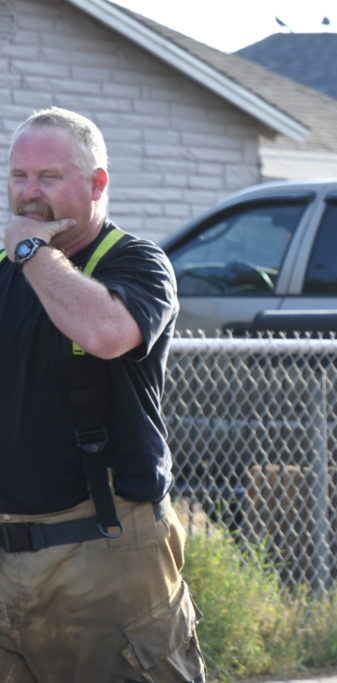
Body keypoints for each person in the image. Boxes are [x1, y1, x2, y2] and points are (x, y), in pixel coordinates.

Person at [0, 107, 205, 681]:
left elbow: (105, 334)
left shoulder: (138, 263)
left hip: (103, 551)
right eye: (18, 176)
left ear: (97, 184)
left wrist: (33, 253)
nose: (29, 193)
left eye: (48, 177)